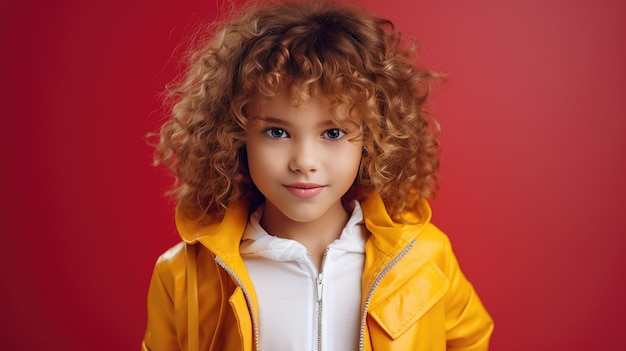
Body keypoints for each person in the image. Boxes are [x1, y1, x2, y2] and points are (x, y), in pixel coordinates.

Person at [142, 1, 494, 350]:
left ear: (371, 139)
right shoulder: (183, 276)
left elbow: (471, 338)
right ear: (234, 135)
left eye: (333, 133)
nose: (305, 162)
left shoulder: (424, 257)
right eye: (277, 132)